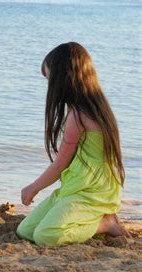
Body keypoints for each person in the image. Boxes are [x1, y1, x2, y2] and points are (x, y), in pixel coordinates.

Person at [17, 42, 129, 247]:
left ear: (62, 80)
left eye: (49, 79)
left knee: (46, 236)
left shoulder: (78, 116)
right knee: (25, 230)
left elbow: (60, 165)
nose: (49, 86)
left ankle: (104, 224)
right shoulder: (99, 108)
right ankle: (89, 220)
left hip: (89, 191)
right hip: (77, 185)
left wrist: (33, 188)